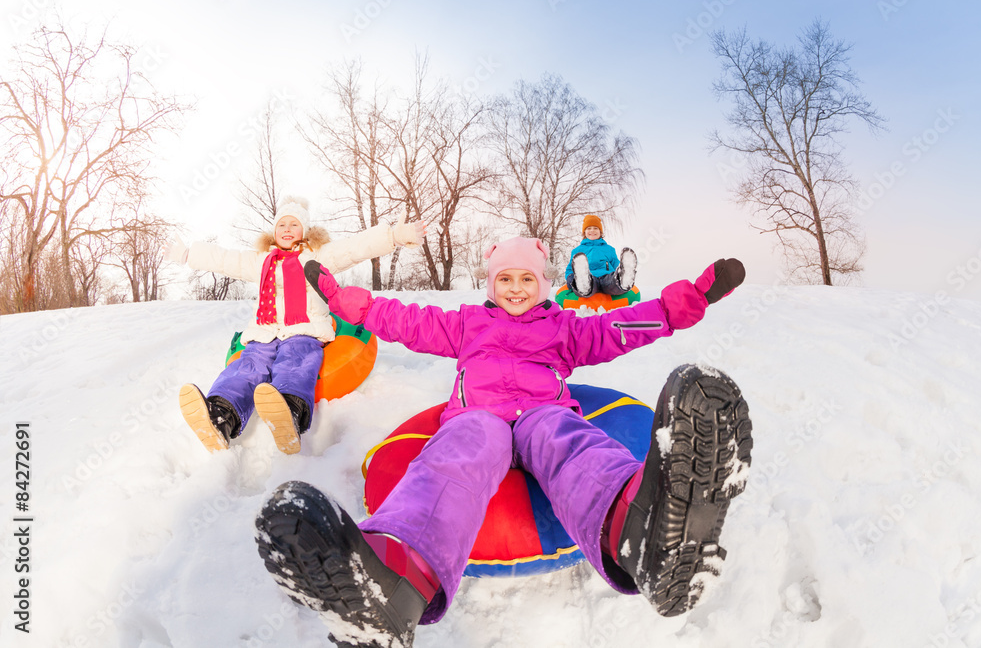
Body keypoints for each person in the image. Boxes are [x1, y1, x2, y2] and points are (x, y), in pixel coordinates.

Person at [254, 237, 751, 647]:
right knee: (454, 460)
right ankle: (392, 586)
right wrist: (344, 301)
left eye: (527, 279)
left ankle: (642, 534)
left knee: (572, 445)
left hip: (543, 413)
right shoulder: (469, 323)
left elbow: (621, 328)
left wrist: (690, 300)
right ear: (492, 284)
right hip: (480, 417)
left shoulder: (564, 329)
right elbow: (404, 319)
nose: (516, 288)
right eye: (506, 279)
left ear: (543, 284)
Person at [164, 195, 425, 455]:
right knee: (249, 365)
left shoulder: (317, 255)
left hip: (304, 330)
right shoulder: (261, 260)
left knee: (296, 360)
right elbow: (226, 259)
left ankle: (289, 411)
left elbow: (353, 248)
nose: (287, 229)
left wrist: (392, 236)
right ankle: (221, 415)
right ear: (274, 232)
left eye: (294, 225)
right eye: (282, 225)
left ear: (305, 231)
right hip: (265, 332)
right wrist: (189, 254)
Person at [565, 214, 638, 298]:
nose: (592, 231)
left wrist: (621, 269)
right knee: (590, 284)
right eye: (589, 228)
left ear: (600, 232)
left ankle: (623, 280)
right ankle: (583, 283)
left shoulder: (609, 249)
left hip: (606, 277)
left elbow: (616, 264)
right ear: (584, 232)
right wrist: (571, 280)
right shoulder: (577, 251)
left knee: (612, 283)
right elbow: (570, 269)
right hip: (590, 277)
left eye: (596, 228)